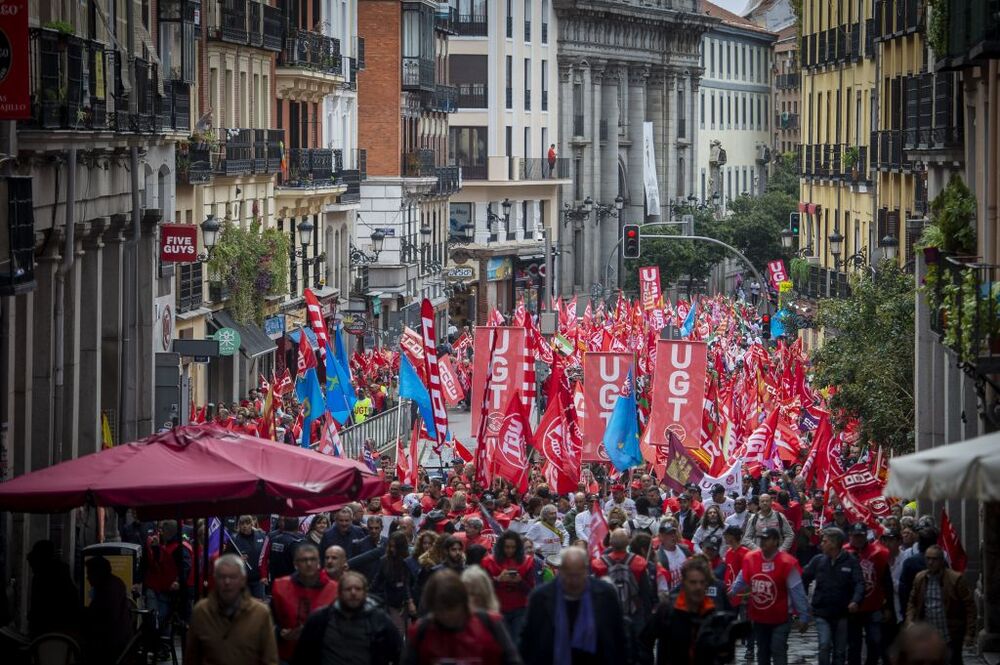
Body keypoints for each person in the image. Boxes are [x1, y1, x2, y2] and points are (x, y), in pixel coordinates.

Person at [521, 546, 627, 664]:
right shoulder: (541, 598)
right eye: (569, 574)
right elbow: (529, 640)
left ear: (586, 570)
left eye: (578, 574)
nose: (573, 581)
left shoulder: (605, 594)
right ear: (560, 570)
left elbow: (618, 635)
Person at [729, 527, 810, 665]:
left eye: (767, 539)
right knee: (762, 651)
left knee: (778, 648)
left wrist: (804, 616)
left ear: (776, 541)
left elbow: (797, 591)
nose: (763, 542)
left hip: (782, 617)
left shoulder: (787, 563)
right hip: (759, 616)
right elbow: (741, 578)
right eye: (762, 538)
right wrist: (731, 593)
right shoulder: (751, 558)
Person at [404, 569, 521, 664]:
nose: (447, 616)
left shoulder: (490, 623)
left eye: (452, 608)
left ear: (463, 603)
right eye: (441, 610)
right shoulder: (421, 631)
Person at [185, 554, 279, 665]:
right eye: (222, 577)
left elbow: (269, 658)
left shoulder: (260, 613)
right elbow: (192, 657)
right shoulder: (201, 611)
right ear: (215, 578)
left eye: (233, 577)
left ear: (243, 580)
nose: (227, 582)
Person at [293, 571, 403, 665]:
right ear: (339, 592)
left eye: (358, 589)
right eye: (348, 589)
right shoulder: (320, 619)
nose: (353, 593)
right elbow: (302, 655)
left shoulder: (380, 620)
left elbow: (399, 653)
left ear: (365, 593)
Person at [641, 557, 734, 665]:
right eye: (693, 582)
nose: (698, 587)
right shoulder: (667, 610)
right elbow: (645, 641)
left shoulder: (712, 613)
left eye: (702, 582)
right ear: (684, 583)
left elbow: (725, 656)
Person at [801, 527, 865, 665]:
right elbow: (803, 578)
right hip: (821, 612)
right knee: (824, 645)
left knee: (840, 651)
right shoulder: (818, 560)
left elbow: (859, 583)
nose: (821, 544)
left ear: (834, 543)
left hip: (842, 613)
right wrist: (804, 602)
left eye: (824, 541)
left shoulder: (851, 561)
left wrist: (855, 601)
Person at [906, 545, 976, 665]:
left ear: (941, 561)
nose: (930, 562)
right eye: (928, 559)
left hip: (950, 635)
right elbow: (912, 602)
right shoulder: (920, 578)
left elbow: (969, 607)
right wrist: (910, 621)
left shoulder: (955, 579)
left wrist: (970, 633)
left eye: (934, 559)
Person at [270, 541, 338, 663]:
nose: (308, 564)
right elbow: (270, 620)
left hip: (322, 655)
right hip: (288, 654)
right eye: (303, 560)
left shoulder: (334, 589)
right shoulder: (280, 586)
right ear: (295, 563)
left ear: (319, 562)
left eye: (313, 559)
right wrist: (280, 633)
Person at [844, 523, 893, 665]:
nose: (858, 539)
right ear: (850, 536)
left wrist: (888, 607)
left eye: (861, 536)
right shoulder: (843, 553)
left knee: (875, 640)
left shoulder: (879, 553)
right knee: (853, 644)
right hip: (851, 607)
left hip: (874, 606)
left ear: (866, 535)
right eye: (856, 536)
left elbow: (886, 582)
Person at [481, 530, 536, 639]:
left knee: (517, 642)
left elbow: (531, 590)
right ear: (501, 546)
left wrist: (520, 582)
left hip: (520, 609)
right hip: (498, 608)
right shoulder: (489, 561)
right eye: (507, 547)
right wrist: (498, 580)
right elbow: (484, 590)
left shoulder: (527, 561)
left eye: (513, 547)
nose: (510, 550)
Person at [25, 539, 82, 639]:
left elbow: (40, 606)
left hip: (53, 629)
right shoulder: (61, 571)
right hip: (64, 629)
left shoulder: (43, 576)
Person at [82, 555, 132, 665]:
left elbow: (103, 618)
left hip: (109, 645)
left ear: (98, 573)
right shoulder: (114, 583)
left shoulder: (107, 590)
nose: (87, 577)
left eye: (90, 573)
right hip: (117, 640)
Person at [371, 531, 417, 635]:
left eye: (395, 547)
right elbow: (377, 581)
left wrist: (410, 601)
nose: (392, 549)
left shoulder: (410, 561)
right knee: (398, 631)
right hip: (393, 603)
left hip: (410, 602)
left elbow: (410, 582)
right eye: (390, 546)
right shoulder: (385, 561)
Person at [231, 515, 268, 598]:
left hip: (258, 579)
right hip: (242, 580)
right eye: (242, 523)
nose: (244, 526)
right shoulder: (234, 539)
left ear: (252, 524)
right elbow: (227, 558)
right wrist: (237, 559)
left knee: (258, 607)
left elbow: (266, 556)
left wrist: (265, 575)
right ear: (238, 525)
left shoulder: (261, 535)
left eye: (247, 523)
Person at [265, 516, 306, 585]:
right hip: (291, 582)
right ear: (297, 525)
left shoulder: (274, 539)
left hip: (275, 581)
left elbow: (267, 558)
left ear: (285, 524)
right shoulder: (297, 542)